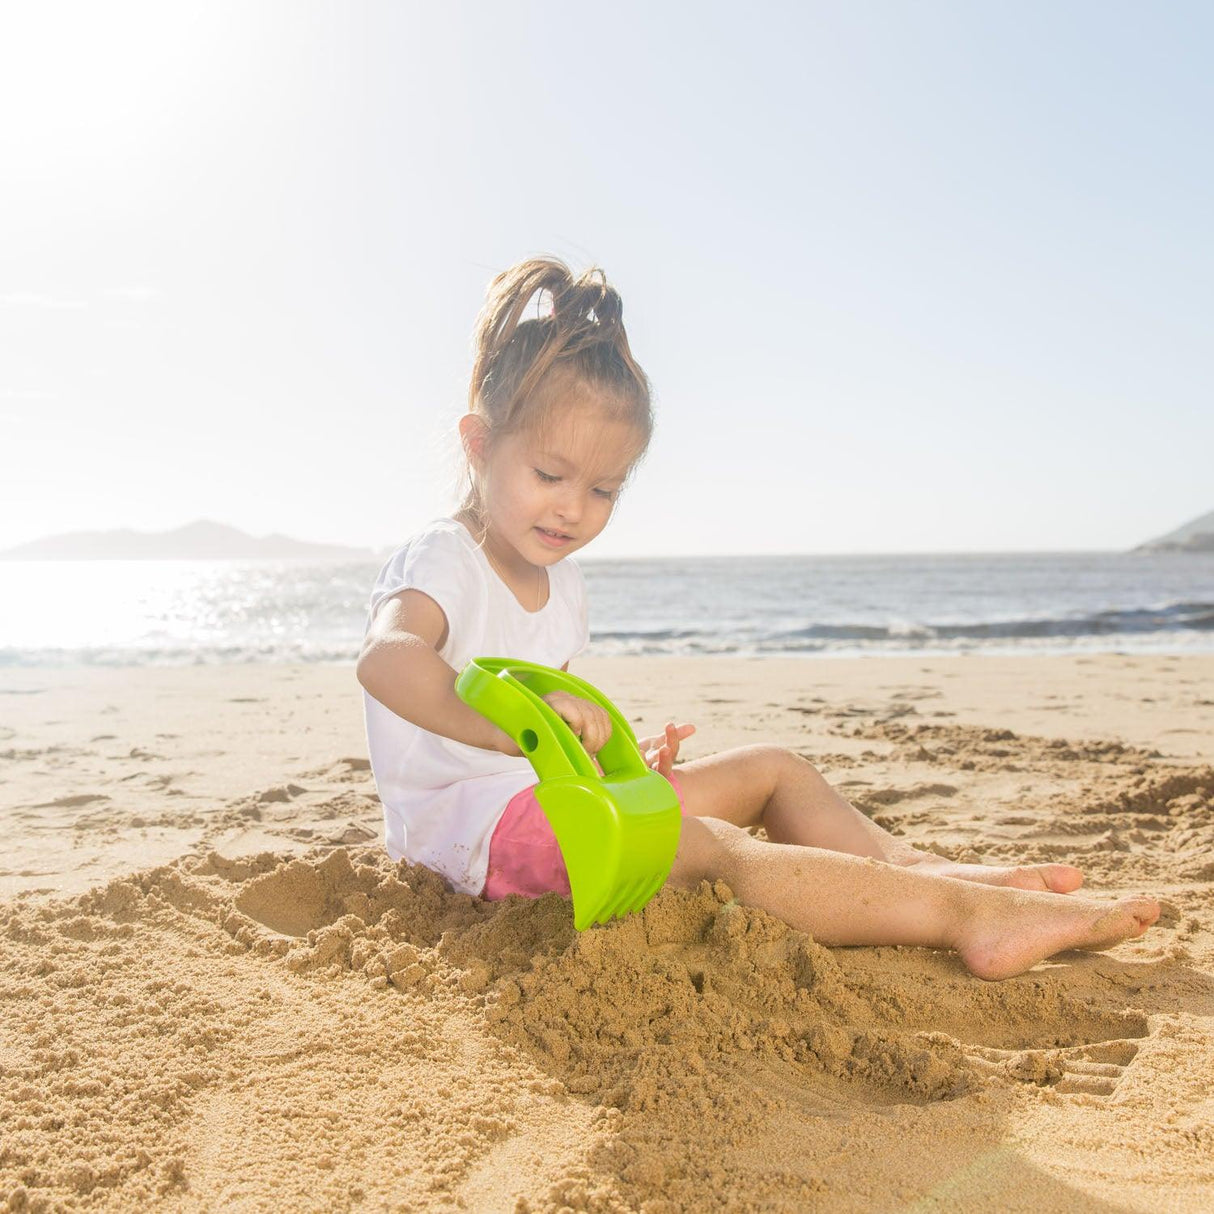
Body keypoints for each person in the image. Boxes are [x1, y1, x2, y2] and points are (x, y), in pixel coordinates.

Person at [357, 256, 1160, 981]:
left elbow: (556, 730)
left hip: (553, 801)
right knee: (705, 848)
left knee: (773, 767)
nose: (573, 508)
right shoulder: (444, 559)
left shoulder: (562, 585)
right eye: (549, 474)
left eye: (603, 490)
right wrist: (512, 729)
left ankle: (921, 871)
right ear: (478, 445)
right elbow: (387, 658)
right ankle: (964, 919)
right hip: (470, 835)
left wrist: (611, 753)